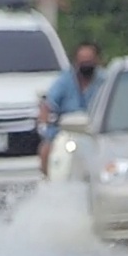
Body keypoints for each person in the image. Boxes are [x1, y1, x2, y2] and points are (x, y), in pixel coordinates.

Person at [38, 41, 105, 177]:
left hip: (98, 131)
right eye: (82, 62)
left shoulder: (105, 80)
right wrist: (43, 127)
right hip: (66, 132)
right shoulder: (65, 80)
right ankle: (49, 181)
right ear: (75, 62)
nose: (86, 65)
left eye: (89, 61)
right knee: (46, 150)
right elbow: (48, 105)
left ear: (97, 60)